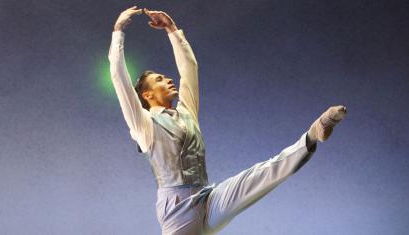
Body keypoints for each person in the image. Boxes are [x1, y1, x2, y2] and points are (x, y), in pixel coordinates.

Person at [108, 6, 347, 235]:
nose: (168, 79)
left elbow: (189, 68)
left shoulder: (186, 111)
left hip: (209, 198)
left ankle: (313, 134)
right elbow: (119, 79)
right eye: (159, 80)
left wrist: (171, 29)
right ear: (147, 95)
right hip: (177, 210)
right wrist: (118, 31)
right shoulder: (144, 125)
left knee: (260, 174)